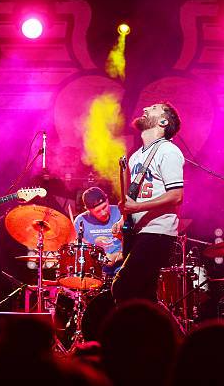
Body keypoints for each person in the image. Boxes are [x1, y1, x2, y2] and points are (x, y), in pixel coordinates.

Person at [111, 102, 184, 303]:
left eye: (153, 108)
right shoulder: (136, 156)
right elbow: (132, 199)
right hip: (138, 231)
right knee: (143, 296)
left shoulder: (168, 151)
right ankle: (162, 332)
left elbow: (177, 196)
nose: (145, 109)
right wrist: (123, 218)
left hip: (157, 232)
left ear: (163, 121)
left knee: (123, 287)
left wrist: (137, 207)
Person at [73, 187, 123, 279]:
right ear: (88, 209)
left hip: (122, 270)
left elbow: (135, 246)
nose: (103, 213)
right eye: (98, 211)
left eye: (104, 207)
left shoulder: (121, 213)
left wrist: (116, 257)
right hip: (95, 274)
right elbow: (80, 252)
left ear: (107, 199)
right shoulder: (80, 221)